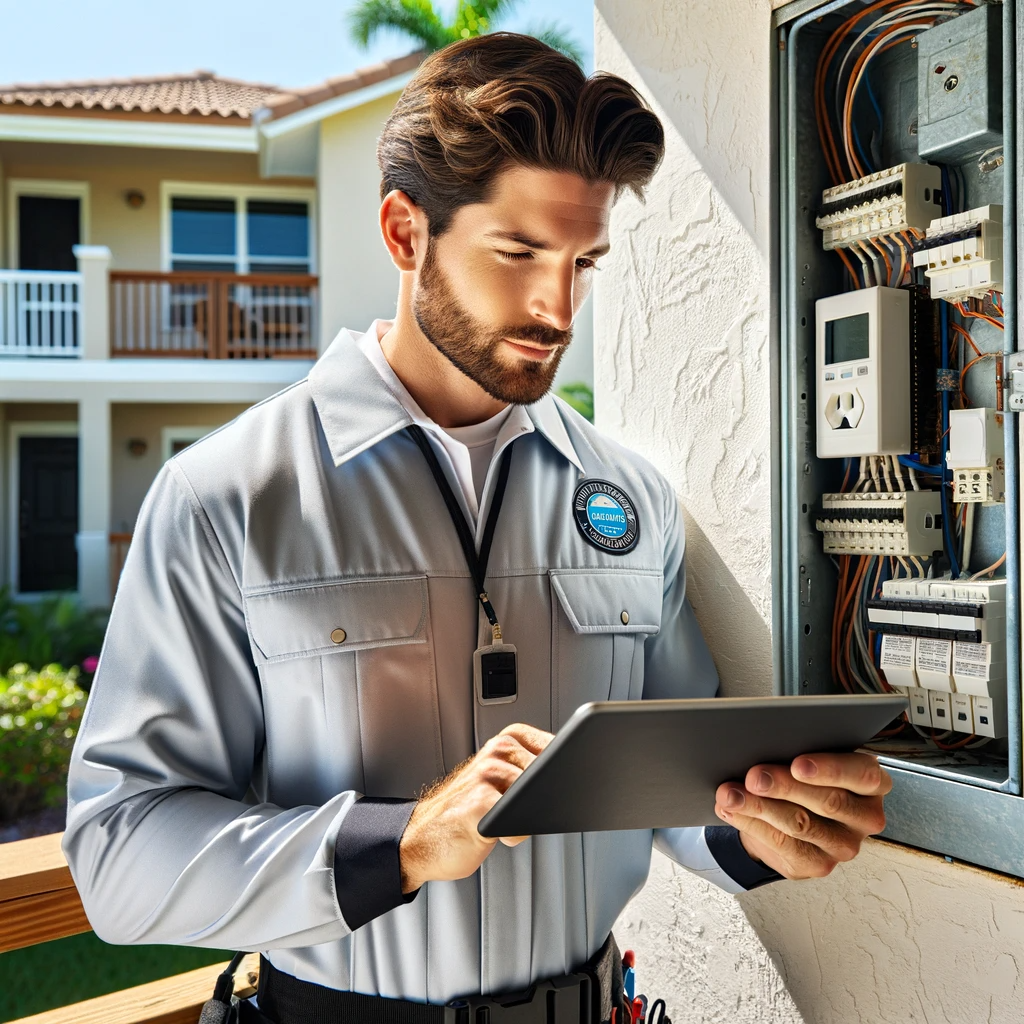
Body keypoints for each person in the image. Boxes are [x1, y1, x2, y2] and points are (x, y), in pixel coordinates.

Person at [62, 33, 891, 1024]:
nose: (557, 305)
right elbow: (118, 854)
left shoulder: (630, 497)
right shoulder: (225, 496)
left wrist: (761, 830)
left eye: (583, 260)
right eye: (518, 253)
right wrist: (403, 840)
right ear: (405, 232)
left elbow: (670, 792)